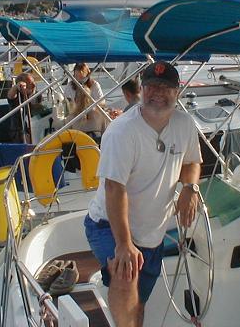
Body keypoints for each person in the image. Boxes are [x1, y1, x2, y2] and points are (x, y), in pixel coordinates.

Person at [84, 61, 202, 327]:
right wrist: (124, 244)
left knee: (139, 304)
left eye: (165, 87)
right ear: (142, 90)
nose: (157, 92)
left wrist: (189, 187)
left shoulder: (185, 125)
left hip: (153, 235)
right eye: (151, 86)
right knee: (126, 276)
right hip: (108, 225)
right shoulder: (122, 131)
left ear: (177, 92)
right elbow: (115, 188)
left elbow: (193, 162)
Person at [6, 72, 42, 143]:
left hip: (36, 126)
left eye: (33, 82)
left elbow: (40, 109)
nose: (34, 85)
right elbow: (10, 96)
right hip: (20, 131)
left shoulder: (37, 95)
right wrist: (16, 87)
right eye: (30, 83)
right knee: (27, 139)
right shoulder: (17, 96)